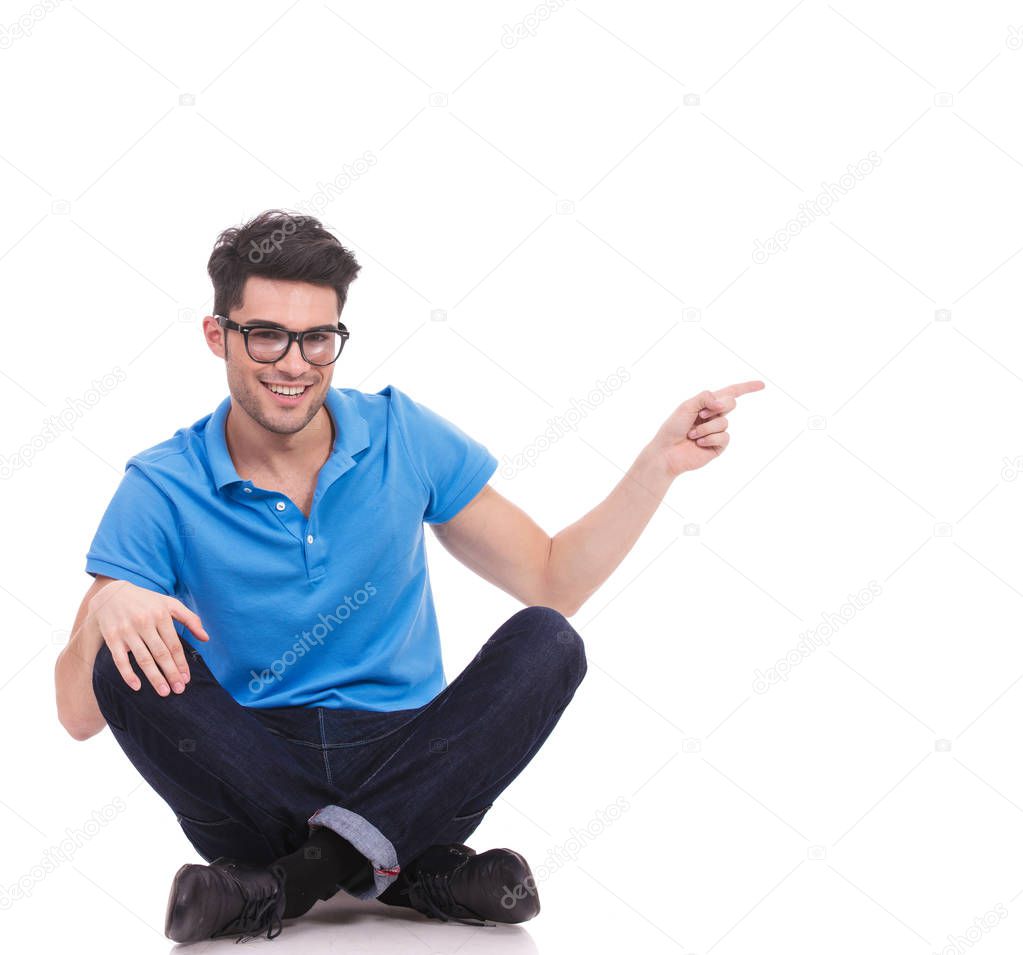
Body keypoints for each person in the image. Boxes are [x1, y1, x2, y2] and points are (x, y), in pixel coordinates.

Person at [53, 209, 765, 942]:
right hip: (253, 772)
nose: (294, 364)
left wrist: (656, 467)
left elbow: (551, 581)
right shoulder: (162, 484)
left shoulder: (402, 434)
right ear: (218, 336)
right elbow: (80, 713)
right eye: (266, 335)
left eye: (317, 338)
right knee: (116, 653)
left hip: (414, 759)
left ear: (337, 338)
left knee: (548, 639)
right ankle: (416, 871)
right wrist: (105, 608)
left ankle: (295, 879)